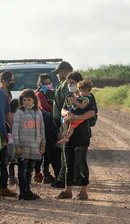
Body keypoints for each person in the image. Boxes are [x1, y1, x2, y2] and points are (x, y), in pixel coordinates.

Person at [55, 75, 97, 201]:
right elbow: (62, 110)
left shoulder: (88, 97)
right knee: (69, 163)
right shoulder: (70, 97)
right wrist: (67, 114)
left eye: (72, 83)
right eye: (69, 83)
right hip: (69, 134)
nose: (69, 85)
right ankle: (68, 190)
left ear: (79, 83)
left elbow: (92, 113)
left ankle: (83, 191)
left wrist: (77, 118)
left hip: (82, 135)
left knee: (80, 162)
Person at [12, 90, 45, 200]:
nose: (26, 102)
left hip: (34, 146)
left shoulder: (38, 112)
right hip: (23, 146)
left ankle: (27, 190)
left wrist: (43, 143)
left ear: (34, 100)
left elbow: (42, 129)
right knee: (23, 169)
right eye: (24, 100)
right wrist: (17, 145)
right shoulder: (19, 112)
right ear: (21, 101)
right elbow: (15, 130)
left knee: (30, 169)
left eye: (29, 99)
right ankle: (23, 192)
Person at [50, 61, 74, 189]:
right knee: (64, 152)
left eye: (58, 72)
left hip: (65, 123)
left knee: (65, 152)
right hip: (61, 123)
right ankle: (65, 177)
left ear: (66, 71)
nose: (57, 75)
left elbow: (68, 107)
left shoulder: (67, 85)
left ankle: (63, 179)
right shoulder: (63, 84)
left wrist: (64, 127)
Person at [56, 80, 94, 145]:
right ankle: (65, 133)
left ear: (87, 90)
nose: (81, 93)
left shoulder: (86, 98)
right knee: (66, 121)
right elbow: (63, 109)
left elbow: (82, 106)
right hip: (75, 116)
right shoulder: (79, 96)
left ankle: (67, 136)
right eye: (80, 91)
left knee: (71, 126)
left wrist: (75, 102)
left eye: (82, 91)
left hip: (79, 117)